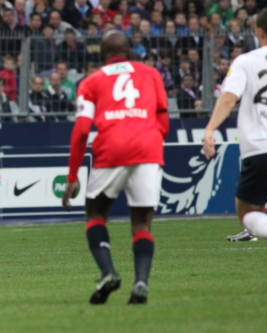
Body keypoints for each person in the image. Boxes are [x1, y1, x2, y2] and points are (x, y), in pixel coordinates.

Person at [62, 31, 169, 305]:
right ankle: (141, 282)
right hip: (148, 149)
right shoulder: (151, 74)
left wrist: (72, 176)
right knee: (142, 223)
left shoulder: (90, 81)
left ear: (101, 56)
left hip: (111, 150)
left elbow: (82, 131)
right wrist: (148, 142)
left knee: (96, 214)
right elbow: (164, 121)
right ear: (130, 53)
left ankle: (108, 272)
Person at [203, 8, 267, 247]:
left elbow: (228, 98)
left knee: (246, 211)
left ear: (260, 31)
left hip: (261, 148)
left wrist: (210, 129)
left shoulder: (247, 61)